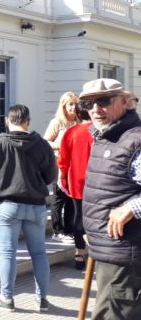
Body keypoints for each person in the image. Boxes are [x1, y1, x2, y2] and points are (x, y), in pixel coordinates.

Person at [0, 104, 57, 313]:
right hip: (36, 206)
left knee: (7, 252)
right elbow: (51, 175)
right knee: (39, 253)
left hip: (8, 205)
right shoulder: (42, 145)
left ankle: (6, 298)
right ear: (29, 121)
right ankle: (42, 299)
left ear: (7, 120)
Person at [79, 79, 141, 319]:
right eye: (88, 103)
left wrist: (133, 207)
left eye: (104, 101)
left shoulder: (133, 139)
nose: (95, 109)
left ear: (124, 102)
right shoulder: (105, 136)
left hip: (125, 253)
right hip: (108, 248)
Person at [57, 104, 92, 270]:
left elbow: (63, 160)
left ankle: (79, 253)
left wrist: (62, 178)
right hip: (98, 182)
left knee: (78, 218)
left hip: (77, 180)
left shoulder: (71, 132)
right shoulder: (101, 131)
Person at [44, 91, 79, 243]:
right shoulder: (57, 122)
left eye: (76, 103)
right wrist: (61, 145)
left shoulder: (79, 121)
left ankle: (69, 229)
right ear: (63, 106)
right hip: (60, 163)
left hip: (75, 164)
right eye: (70, 104)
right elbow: (45, 142)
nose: (74, 106)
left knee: (71, 198)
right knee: (59, 198)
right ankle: (57, 230)